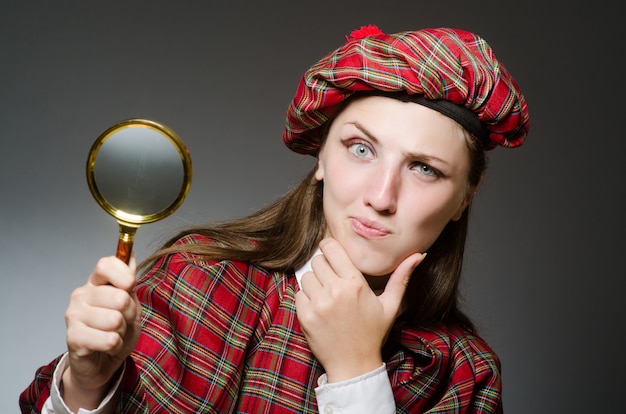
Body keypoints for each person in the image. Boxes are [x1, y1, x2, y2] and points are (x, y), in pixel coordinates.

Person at [20, 24, 529, 413]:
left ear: (465, 197)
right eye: (360, 148)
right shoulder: (197, 279)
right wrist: (86, 385)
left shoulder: (465, 375)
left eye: (424, 168)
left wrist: (356, 373)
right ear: (321, 159)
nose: (381, 195)